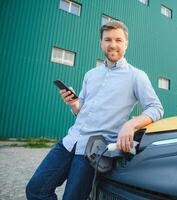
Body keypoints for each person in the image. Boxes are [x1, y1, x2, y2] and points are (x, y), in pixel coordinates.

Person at [26, 20, 164, 200]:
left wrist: (130, 124)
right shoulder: (91, 74)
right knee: (36, 190)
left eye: (118, 40)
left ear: (126, 44)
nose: (113, 45)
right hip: (70, 141)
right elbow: (81, 110)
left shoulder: (136, 76)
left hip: (92, 151)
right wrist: (74, 104)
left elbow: (156, 108)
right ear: (101, 42)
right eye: (108, 40)